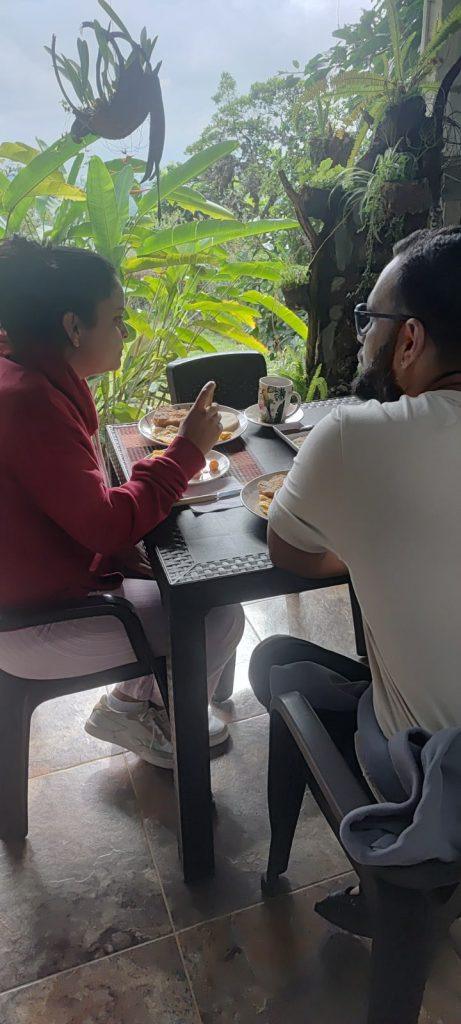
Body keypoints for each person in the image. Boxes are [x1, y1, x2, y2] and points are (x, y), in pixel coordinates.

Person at [248, 226, 461, 930]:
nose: (361, 336)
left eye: (370, 320)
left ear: (409, 340)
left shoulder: (355, 436)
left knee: (276, 662)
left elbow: (287, 549)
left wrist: (360, 551)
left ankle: (389, 881)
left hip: (438, 771)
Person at [0, 237, 244, 769]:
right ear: (72, 327)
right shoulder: (27, 402)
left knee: (178, 581)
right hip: (30, 622)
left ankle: (133, 705)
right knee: (219, 614)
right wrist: (188, 451)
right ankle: (152, 720)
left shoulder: (27, 378)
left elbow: (67, 514)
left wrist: (111, 552)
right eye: (115, 319)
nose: (124, 332)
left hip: (39, 589)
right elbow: (107, 525)